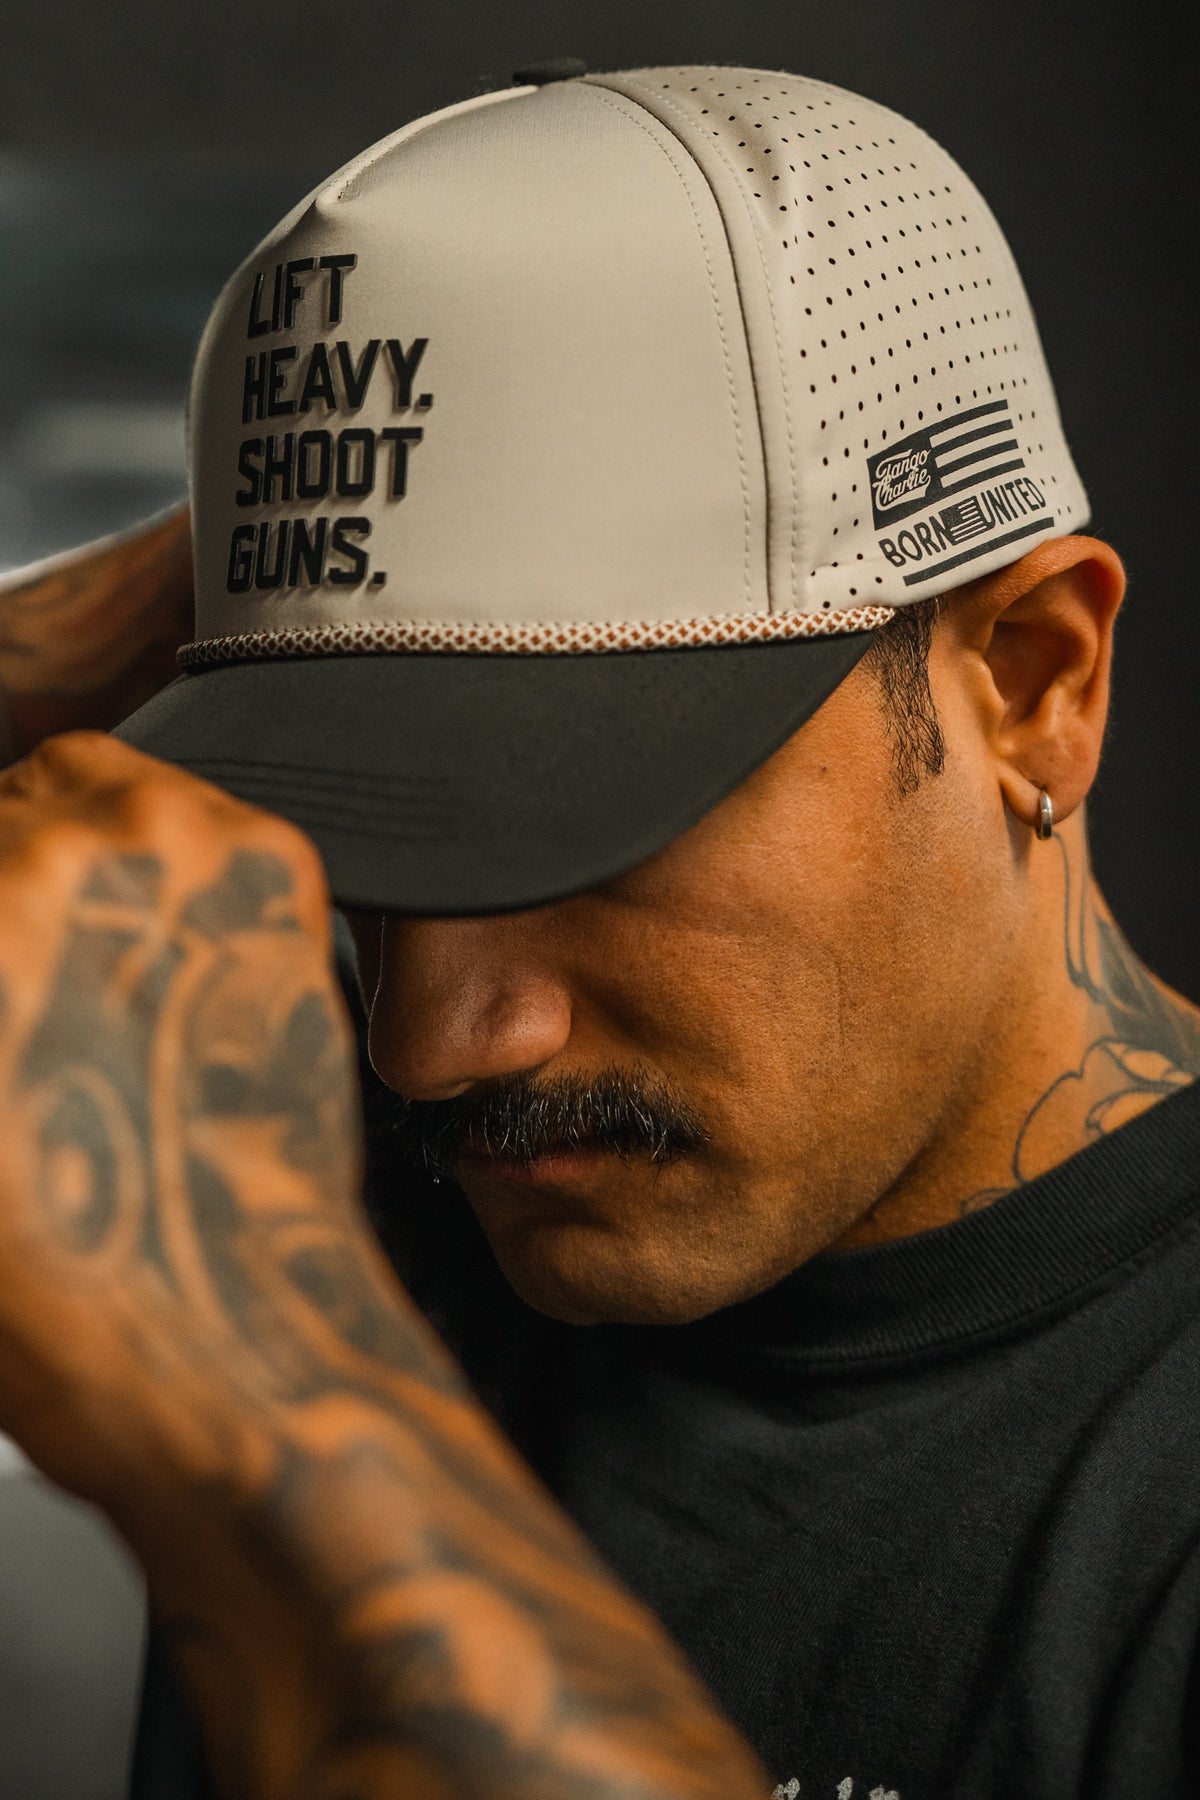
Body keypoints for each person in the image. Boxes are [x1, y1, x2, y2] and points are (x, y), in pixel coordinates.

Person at [0, 61, 1197, 1800]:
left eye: (590, 833)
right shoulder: (321, 1162)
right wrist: (282, 558)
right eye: (362, 838)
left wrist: (269, 1416)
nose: (430, 1042)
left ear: (1034, 685)